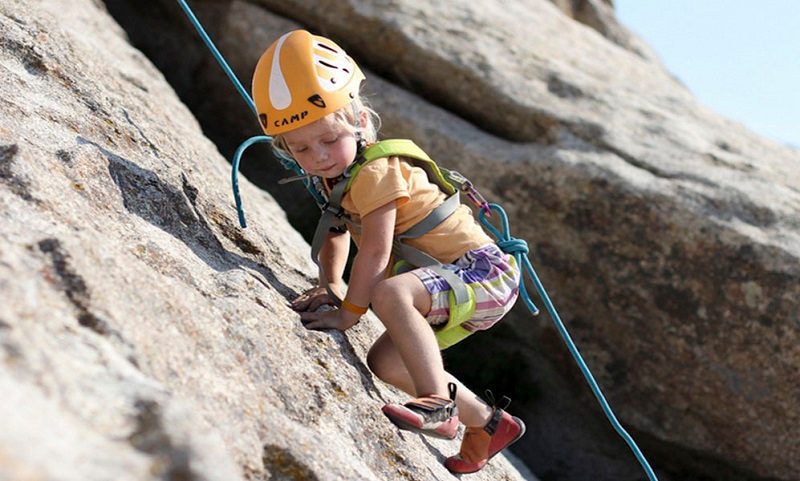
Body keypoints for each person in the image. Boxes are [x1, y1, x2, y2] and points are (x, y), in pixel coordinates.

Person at [252, 29, 525, 473]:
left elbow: (376, 254)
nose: (318, 156)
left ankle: (439, 406)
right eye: (300, 148)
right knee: (386, 362)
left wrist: (348, 314)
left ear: (359, 121)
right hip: (451, 280)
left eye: (327, 139)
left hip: (483, 272)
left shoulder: (376, 170)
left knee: (390, 294)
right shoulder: (336, 178)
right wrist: (331, 285)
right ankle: (489, 424)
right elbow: (336, 233)